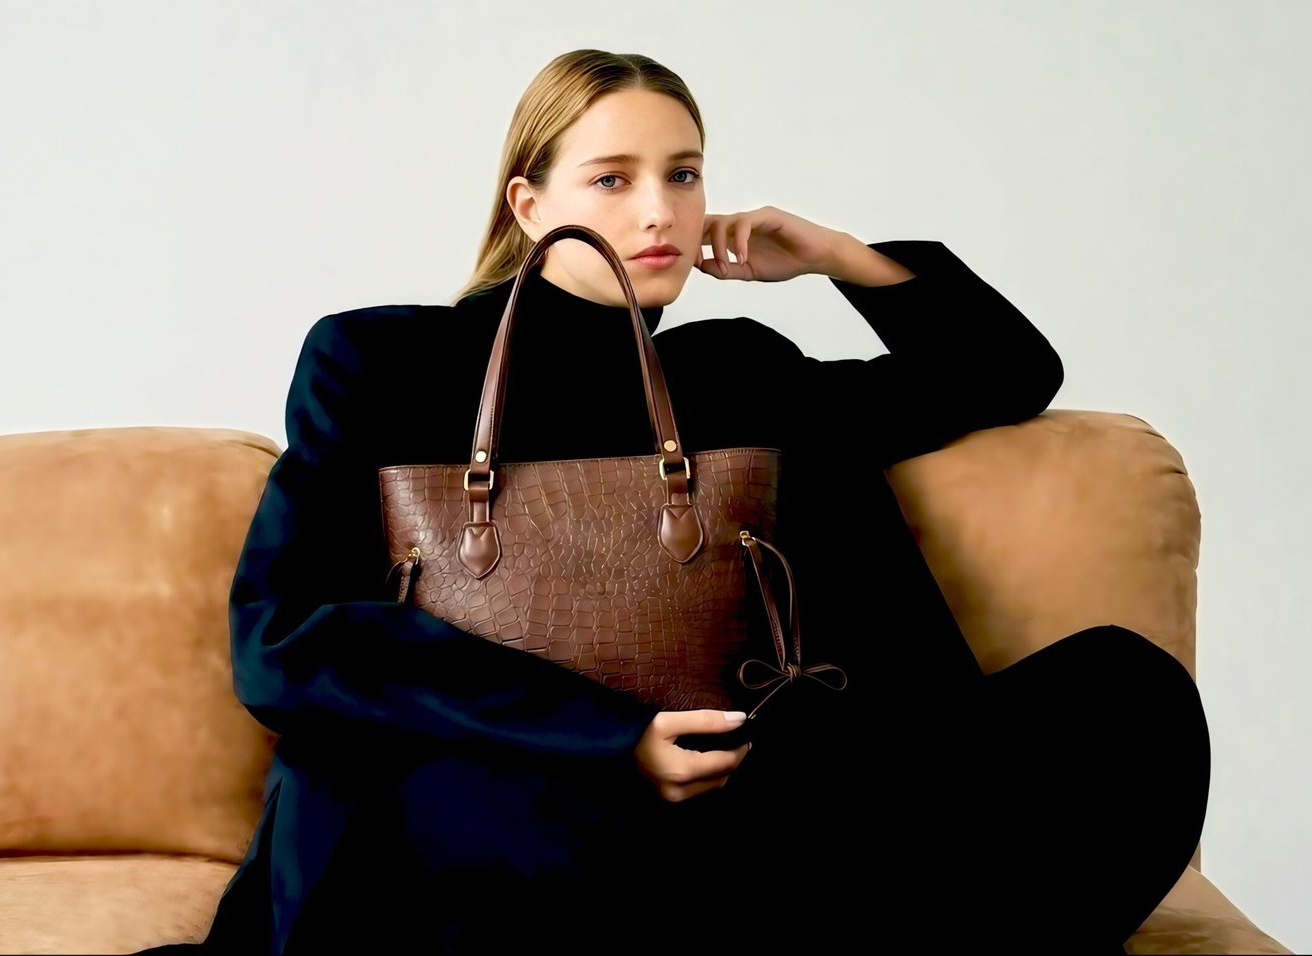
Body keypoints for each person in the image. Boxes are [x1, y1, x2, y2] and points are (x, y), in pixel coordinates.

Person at [136, 49, 1210, 956]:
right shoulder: (387, 364)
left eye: (683, 174)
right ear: (529, 204)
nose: (658, 211)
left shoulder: (736, 370)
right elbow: (281, 635)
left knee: (1128, 697)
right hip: (507, 794)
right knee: (456, 809)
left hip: (742, 815)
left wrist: (839, 258)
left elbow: (1002, 373)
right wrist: (605, 736)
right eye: (612, 179)